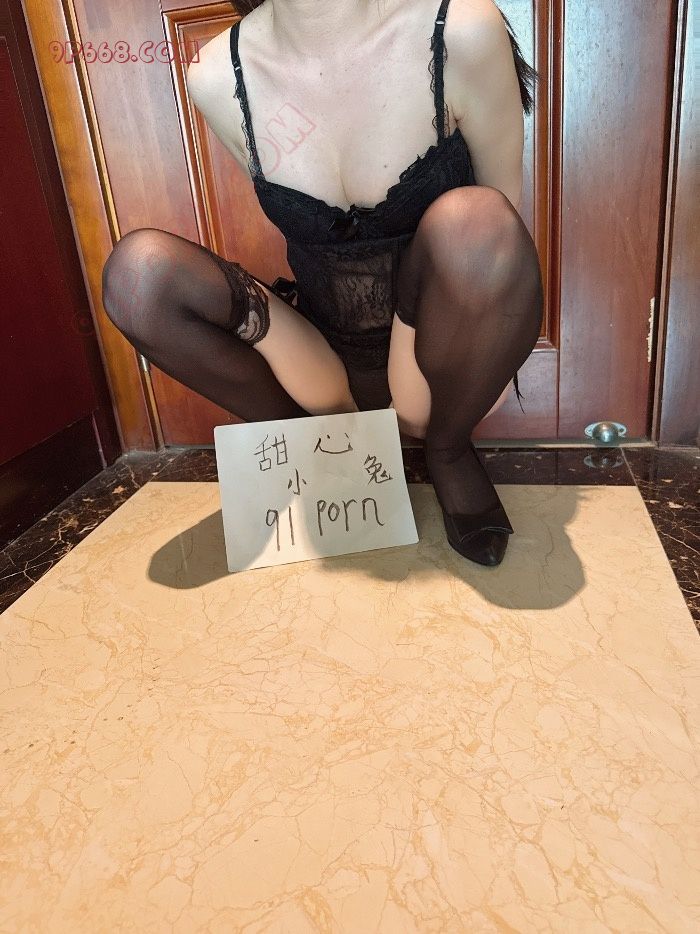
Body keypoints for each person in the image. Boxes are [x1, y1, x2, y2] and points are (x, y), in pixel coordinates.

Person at [101, 0, 543, 567]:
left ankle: (449, 449)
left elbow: (502, 244)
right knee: (140, 276)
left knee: (477, 223)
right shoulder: (216, 75)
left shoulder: (461, 29)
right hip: (320, 364)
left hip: (437, 364)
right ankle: (311, 449)